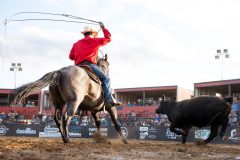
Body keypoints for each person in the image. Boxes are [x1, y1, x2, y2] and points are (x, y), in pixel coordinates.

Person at [69, 22, 120, 108]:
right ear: (92, 33)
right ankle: (108, 100)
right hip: (89, 65)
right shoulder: (95, 41)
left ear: (84, 34)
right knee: (106, 79)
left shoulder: (76, 44)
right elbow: (108, 38)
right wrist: (103, 27)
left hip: (77, 66)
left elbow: (71, 57)